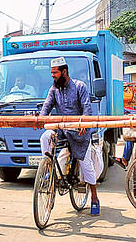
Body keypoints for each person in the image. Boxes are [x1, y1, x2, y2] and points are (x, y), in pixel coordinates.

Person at [39, 56, 100, 215]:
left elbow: (87, 108)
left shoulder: (80, 86)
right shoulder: (53, 89)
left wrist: (84, 124)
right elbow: (46, 107)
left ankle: (94, 197)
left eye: (55, 73)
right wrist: (39, 119)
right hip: (61, 130)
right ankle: (49, 169)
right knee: (45, 137)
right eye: (51, 73)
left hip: (79, 131)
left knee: (86, 163)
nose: (53, 75)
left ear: (64, 71)